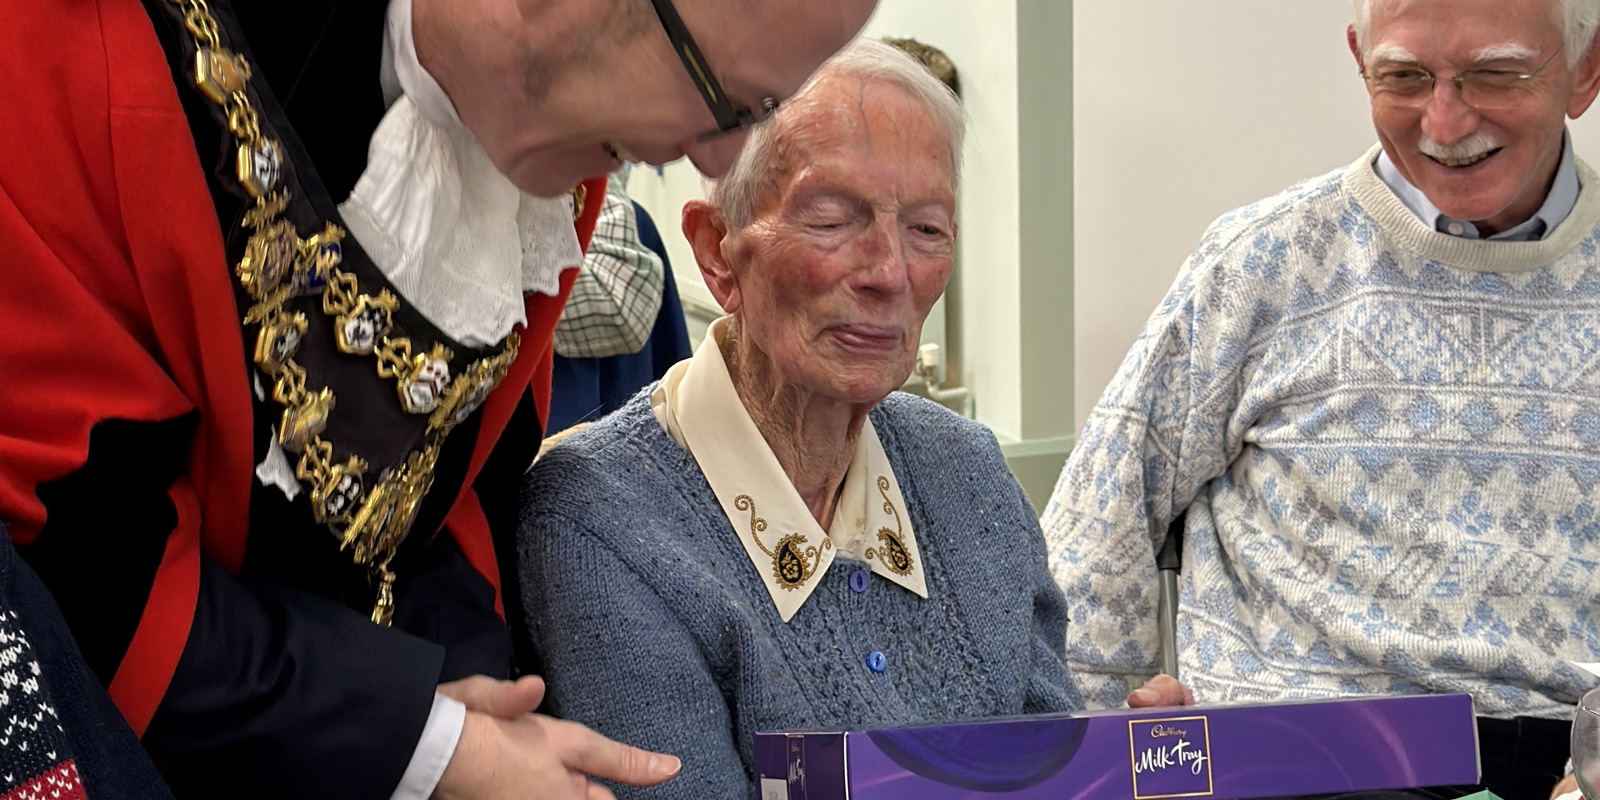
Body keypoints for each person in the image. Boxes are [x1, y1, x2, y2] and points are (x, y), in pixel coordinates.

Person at [0, 0, 876, 797]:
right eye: (729, 99)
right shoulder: (87, 52)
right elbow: (81, 560)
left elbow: (453, 492)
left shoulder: (559, 161)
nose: (719, 156)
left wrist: (478, 711)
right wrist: (432, 740)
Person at [516, 38, 1191, 800]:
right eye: (833, 218)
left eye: (927, 230)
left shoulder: (966, 470)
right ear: (716, 254)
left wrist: (1121, 776)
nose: (890, 272)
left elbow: (1041, 764)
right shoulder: (599, 521)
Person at [1043, 1, 1600, 798]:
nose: (1443, 120)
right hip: (1292, 761)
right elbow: (1096, 532)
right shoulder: (1259, 267)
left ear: (1585, 69)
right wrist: (1098, 763)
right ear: (1359, 60)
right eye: (1404, 76)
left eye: (1495, 73)